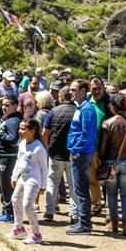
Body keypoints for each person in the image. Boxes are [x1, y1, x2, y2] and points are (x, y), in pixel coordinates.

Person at [98, 93, 126, 236]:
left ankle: (114, 224)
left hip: (111, 162)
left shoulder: (107, 123)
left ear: (112, 107)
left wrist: (102, 160)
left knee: (111, 194)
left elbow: (103, 148)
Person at [7, 118, 47, 244]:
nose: (20, 131)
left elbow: (44, 167)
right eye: (20, 128)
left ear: (32, 131)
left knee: (27, 205)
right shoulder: (22, 143)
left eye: (23, 129)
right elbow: (18, 161)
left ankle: (36, 234)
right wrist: (14, 176)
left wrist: (44, 184)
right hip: (22, 178)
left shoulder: (39, 148)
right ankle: (19, 228)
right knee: (15, 199)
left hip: (33, 180)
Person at [42, 85, 78, 223]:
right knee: (73, 185)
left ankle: (49, 211)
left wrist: (47, 148)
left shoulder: (53, 111)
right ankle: (74, 215)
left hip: (55, 153)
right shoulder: (77, 111)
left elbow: (45, 134)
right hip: (72, 154)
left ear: (60, 97)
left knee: (52, 182)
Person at [66, 79, 97, 235]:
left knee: (81, 189)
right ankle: (83, 222)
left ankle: (84, 224)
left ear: (83, 91)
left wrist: (76, 150)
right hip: (80, 152)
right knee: (80, 189)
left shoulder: (86, 109)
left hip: (81, 153)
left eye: (74, 90)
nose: (71, 92)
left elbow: (86, 134)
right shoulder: (82, 108)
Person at [0, 95, 22, 222]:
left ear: (15, 106)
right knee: (2, 185)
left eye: (7, 105)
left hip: (7, 158)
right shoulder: (8, 118)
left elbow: (13, 139)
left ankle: (9, 213)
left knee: (6, 185)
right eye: (3, 104)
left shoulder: (14, 121)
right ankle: (5, 210)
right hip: (2, 156)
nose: (4, 107)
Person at [88, 75, 112, 215]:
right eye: (94, 88)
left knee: (108, 180)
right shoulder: (87, 102)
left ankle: (110, 209)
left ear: (103, 88)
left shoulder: (108, 104)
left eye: (99, 88)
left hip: (107, 148)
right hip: (91, 148)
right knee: (93, 179)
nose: (96, 91)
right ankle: (96, 205)